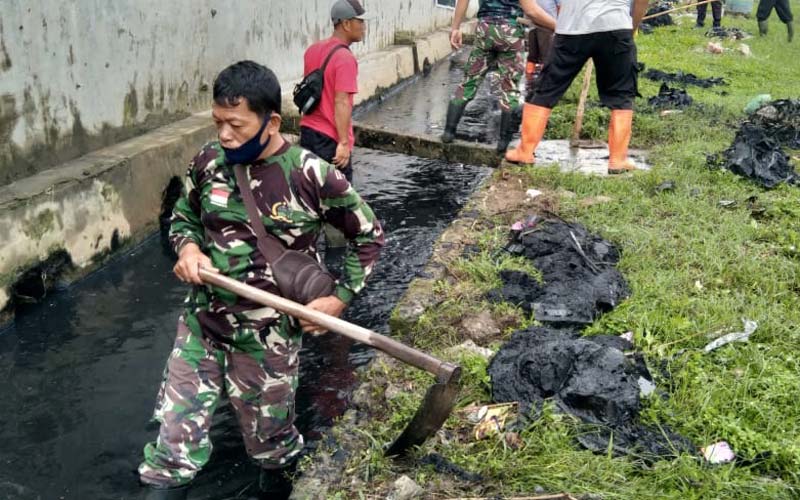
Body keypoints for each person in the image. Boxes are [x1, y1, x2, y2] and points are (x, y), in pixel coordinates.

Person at [138, 60, 384, 500]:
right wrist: (188, 249)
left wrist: (340, 299)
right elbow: (185, 217)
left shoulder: (312, 174)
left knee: (271, 448)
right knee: (171, 452)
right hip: (203, 325)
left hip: (268, 337)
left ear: (271, 122)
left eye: (235, 124)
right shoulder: (209, 161)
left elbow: (368, 236)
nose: (224, 135)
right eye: (217, 123)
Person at [505, 0, 649, 174]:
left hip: (572, 29)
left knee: (546, 88)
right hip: (616, 27)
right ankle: (618, 159)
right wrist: (630, 29)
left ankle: (525, 152)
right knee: (622, 93)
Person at [442, 0, 557, 153]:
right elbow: (531, 11)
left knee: (468, 82)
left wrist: (455, 28)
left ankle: (448, 133)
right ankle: (503, 143)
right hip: (510, 31)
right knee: (509, 88)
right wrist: (559, 27)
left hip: (485, 29)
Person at [299, 0, 370, 183]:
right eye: (360, 21)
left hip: (307, 132)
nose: (364, 26)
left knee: (310, 194)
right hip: (329, 140)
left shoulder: (312, 50)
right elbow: (341, 101)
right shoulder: (345, 58)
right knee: (340, 201)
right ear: (346, 24)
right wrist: (343, 143)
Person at [525, 0, 560, 93]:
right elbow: (560, 9)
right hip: (541, 25)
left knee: (537, 58)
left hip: (539, 25)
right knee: (542, 58)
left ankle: (533, 86)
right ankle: (539, 87)